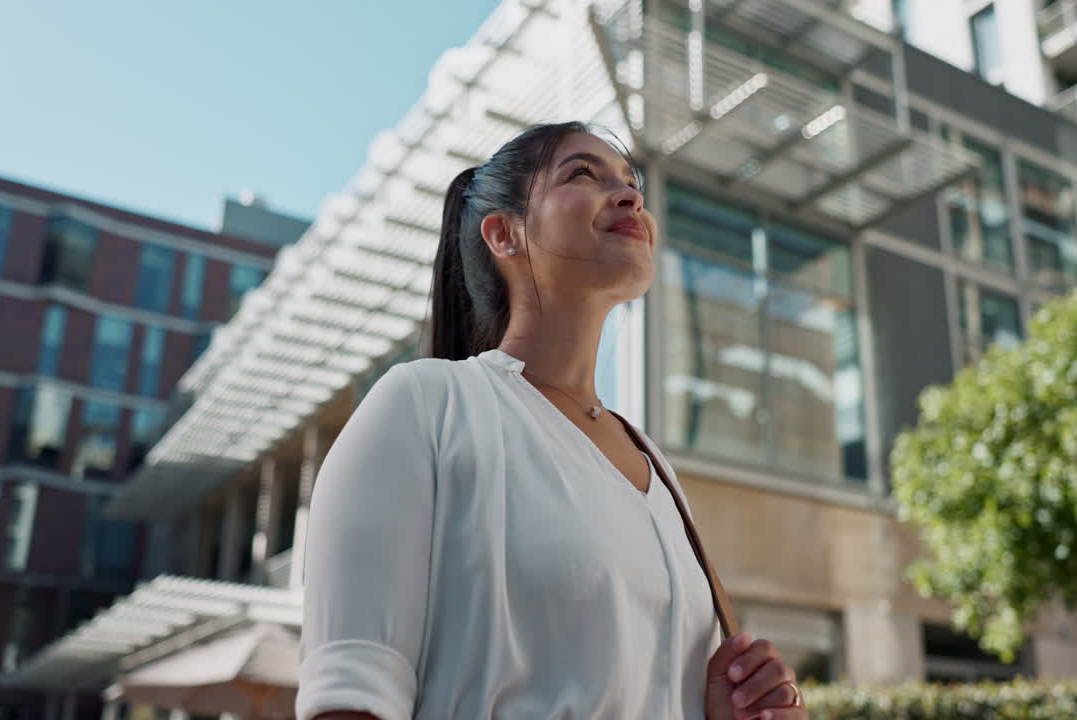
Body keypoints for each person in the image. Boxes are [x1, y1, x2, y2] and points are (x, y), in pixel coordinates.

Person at [296, 121, 807, 720]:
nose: (629, 196)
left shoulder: (656, 466)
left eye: (633, 184)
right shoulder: (427, 404)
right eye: (583, 175)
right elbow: (352, 696)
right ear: (504, 234)